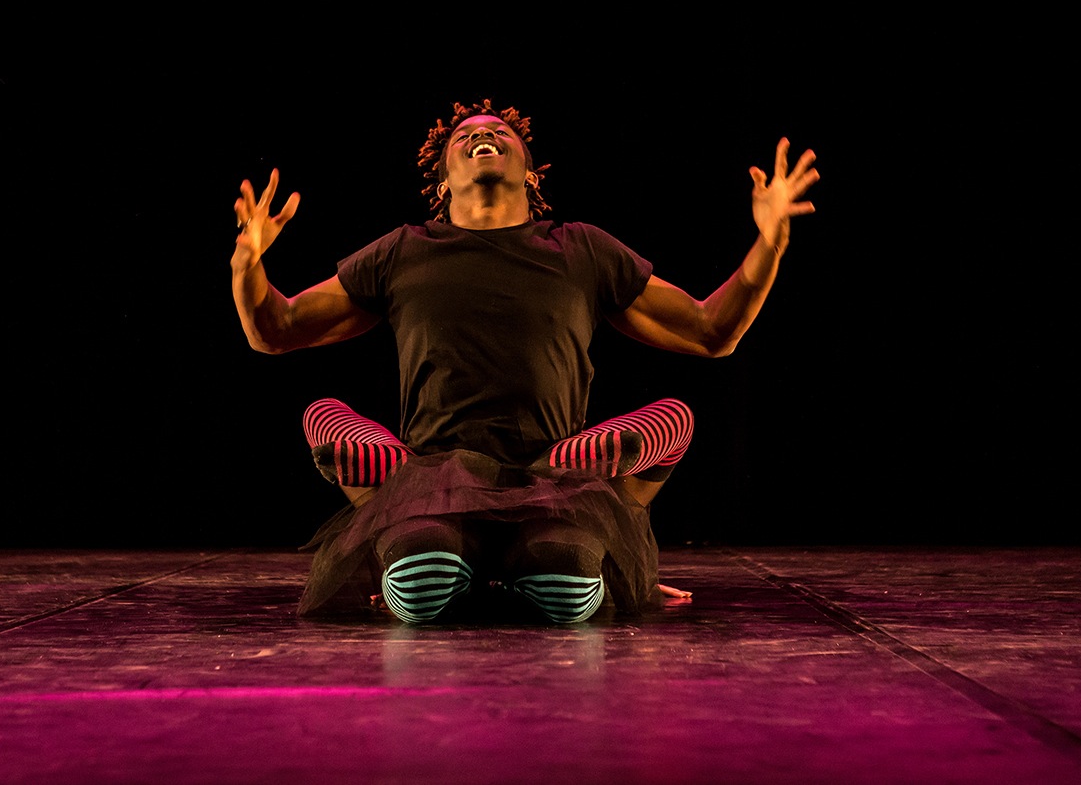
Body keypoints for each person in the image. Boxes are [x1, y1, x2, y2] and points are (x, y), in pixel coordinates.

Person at [231, 99, 818, 624]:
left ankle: (551, 559)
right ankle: (417, 534)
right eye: (464, 135)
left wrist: (768, 244)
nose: (481, 135)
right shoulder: (403, 251)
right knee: (338, 439)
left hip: (557, 481)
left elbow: (713, 333)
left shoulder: (582, 249)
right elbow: (275, 331)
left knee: (583, 560)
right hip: (432, 484)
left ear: (531, 174)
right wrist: (247, 268)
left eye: (499, 132)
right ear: (443, 181)